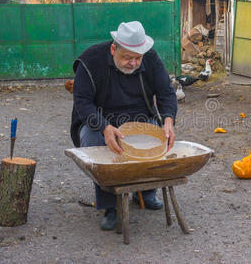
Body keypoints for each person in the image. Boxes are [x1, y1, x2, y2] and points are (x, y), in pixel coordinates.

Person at [70, 21, 177, 230]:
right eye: (127, 57)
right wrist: (104, 127)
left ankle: (146, 192)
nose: (133, 63)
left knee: (157, 135)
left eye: (138, 58)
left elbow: (166, 92)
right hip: (99, 119)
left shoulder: (151, 58)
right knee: (95, 142)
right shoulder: (90, 61)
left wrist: (168, 119)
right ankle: (111, 204)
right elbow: (82, 102)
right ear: (113, 49)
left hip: (139, 115)